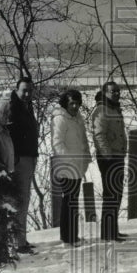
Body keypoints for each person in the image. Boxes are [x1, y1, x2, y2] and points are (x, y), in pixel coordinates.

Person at [1, 77, 39, 254]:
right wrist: (9, 158)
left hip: (28, 158)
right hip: (16, 160)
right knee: (16, 201)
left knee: (23, 200)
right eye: (24, 90)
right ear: (16, 89)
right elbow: (0, 132)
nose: (27, 94)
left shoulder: (26, 106)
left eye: (30, 90)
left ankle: (20, 240)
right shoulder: (8, 106)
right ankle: (16, 242)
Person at [51, 89, 91, 246]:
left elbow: (83, 140)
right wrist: (70, 162)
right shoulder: (60, 119)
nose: (74, 106)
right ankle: (69, 237)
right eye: (71, 103)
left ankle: (72, 235)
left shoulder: (77, 118)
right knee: (69, 201)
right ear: (65, 104)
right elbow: (57, 143)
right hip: (67, 167)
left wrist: (86, 158)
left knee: (72, 201)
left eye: (77, 103)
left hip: (78, 166)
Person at [90, 80, 129, 242]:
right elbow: (99, 135)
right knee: (111, 194)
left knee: (116, 194)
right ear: (105, 93)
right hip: (109, 158)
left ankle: (113, 230)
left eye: (118, 91)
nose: (116, 94)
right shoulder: (101, 110)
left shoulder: (113, 108)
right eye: (112, 91)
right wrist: (108, 156)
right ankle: (107, 234)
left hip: (117, 156)